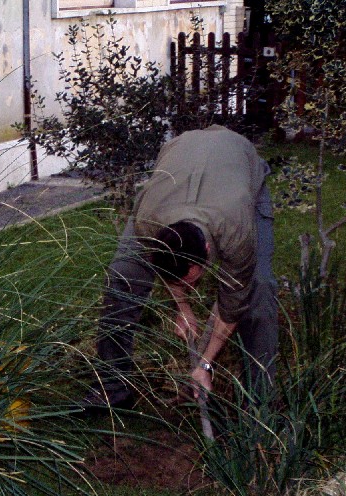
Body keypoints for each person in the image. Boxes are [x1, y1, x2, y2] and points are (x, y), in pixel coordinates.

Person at [86, 125, 277, 409]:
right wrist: (183, 308)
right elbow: (166, 265)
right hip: (177, 173)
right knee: (123, 276)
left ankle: (259, 406)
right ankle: (112, 388)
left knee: (259, 289)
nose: (187, 286)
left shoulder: (236, 228)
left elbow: (233, 302)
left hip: (237, 166)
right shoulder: (149, 220)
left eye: (190, 280)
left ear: (208, 251)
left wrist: (204, 365)